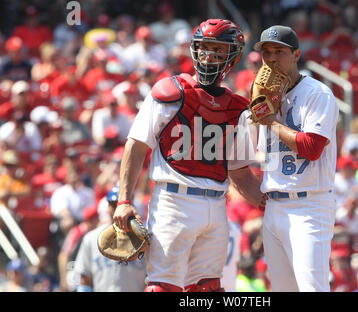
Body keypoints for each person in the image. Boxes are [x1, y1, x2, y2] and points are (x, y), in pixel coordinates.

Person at [112, 19, 264, 292]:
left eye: (217, 50)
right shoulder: (168, 92)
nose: (208, 56)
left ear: (232, 56)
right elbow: (136, 145)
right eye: (204, 48)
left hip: (217, 205)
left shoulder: (238, 109)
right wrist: (124, 199)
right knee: (163, 287)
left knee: (208, 289)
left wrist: (274, 204)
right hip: (173, 201)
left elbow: (240, 173)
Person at [252, 25, 339, 291]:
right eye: (267, 52)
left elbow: (312, 147)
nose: (272, 58)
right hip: (274, 206)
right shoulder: (263, 97)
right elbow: (250, 153)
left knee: (312, 288)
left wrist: (270, 122)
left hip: (309, 206)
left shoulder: (317, 93)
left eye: (280, 51)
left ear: (296, 54)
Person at [73, 186, 147, 292]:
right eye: (114, 204)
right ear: (108, 206)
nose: (118, 209)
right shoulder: (92, 238)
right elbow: (85, 279)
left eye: (120, 204)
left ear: (132, 205)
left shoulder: (145, 239)